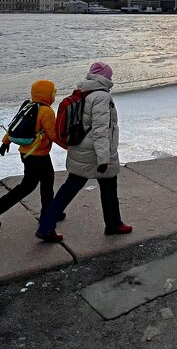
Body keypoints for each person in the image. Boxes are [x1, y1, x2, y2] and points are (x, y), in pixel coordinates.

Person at [35, 62, 132, 243]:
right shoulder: (101, 97)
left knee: (69, 189)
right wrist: (104, 158)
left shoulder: (83, 91)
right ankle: (113, 224)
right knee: (109, 187)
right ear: (105, 78)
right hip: (96, 153)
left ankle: (46, 226)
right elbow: (101, 130)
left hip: (80, 149)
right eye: (110, 77)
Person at [0, 79, 63, 229]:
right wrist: (70, 147)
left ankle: (49, 212)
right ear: (48, 95)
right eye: (53, 93)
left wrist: (5, 142)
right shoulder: (46, 111)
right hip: (39, 155)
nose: (54, 96)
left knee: (42, 183)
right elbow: (53, 135)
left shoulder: (28, 106)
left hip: (26, 153)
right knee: (32, 185)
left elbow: (15, 125)